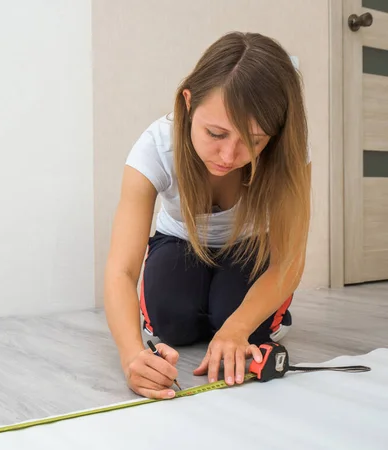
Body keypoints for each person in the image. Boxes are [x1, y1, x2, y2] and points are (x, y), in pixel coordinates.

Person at [103, 31, 311, 400]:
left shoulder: (289, 153)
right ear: (188, 104)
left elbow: (289, 259)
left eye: (255, 140)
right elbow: (121, 269)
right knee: (172, 323)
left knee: (240, 322)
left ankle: (239, 313)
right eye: (216, 133)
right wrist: (131, 356)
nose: (229, 156)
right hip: (178, 242)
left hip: (250, 247)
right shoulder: (155, 146)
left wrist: (238, 328)